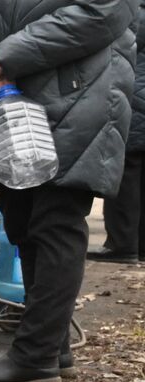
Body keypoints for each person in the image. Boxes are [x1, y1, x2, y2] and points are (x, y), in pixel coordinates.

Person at [0, 0, 134, 382]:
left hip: (80, 94)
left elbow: (101, 12)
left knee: (55, 222)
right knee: (20, 221)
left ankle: (35, 356)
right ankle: (53, 346)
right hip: (10, 97)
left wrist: (4, 57)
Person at [90, 0, 145, 265]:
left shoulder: (131, 9)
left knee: (126, 172)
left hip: (134, 97)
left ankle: (122, 245)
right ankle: (139, 245)